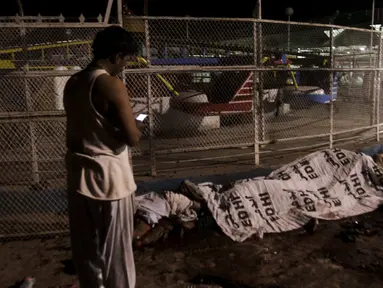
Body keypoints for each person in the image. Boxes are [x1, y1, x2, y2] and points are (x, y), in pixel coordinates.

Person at [64, 26, 144, 288]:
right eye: (126, 59)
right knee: (117, 258)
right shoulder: (110, 84)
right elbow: (132, 137)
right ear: (116, 56)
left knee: (88, 255)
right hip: (110, 182)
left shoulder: (73, 83)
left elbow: (90, 126)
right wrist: (135, 123)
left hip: (79, 178)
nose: (124, 65)